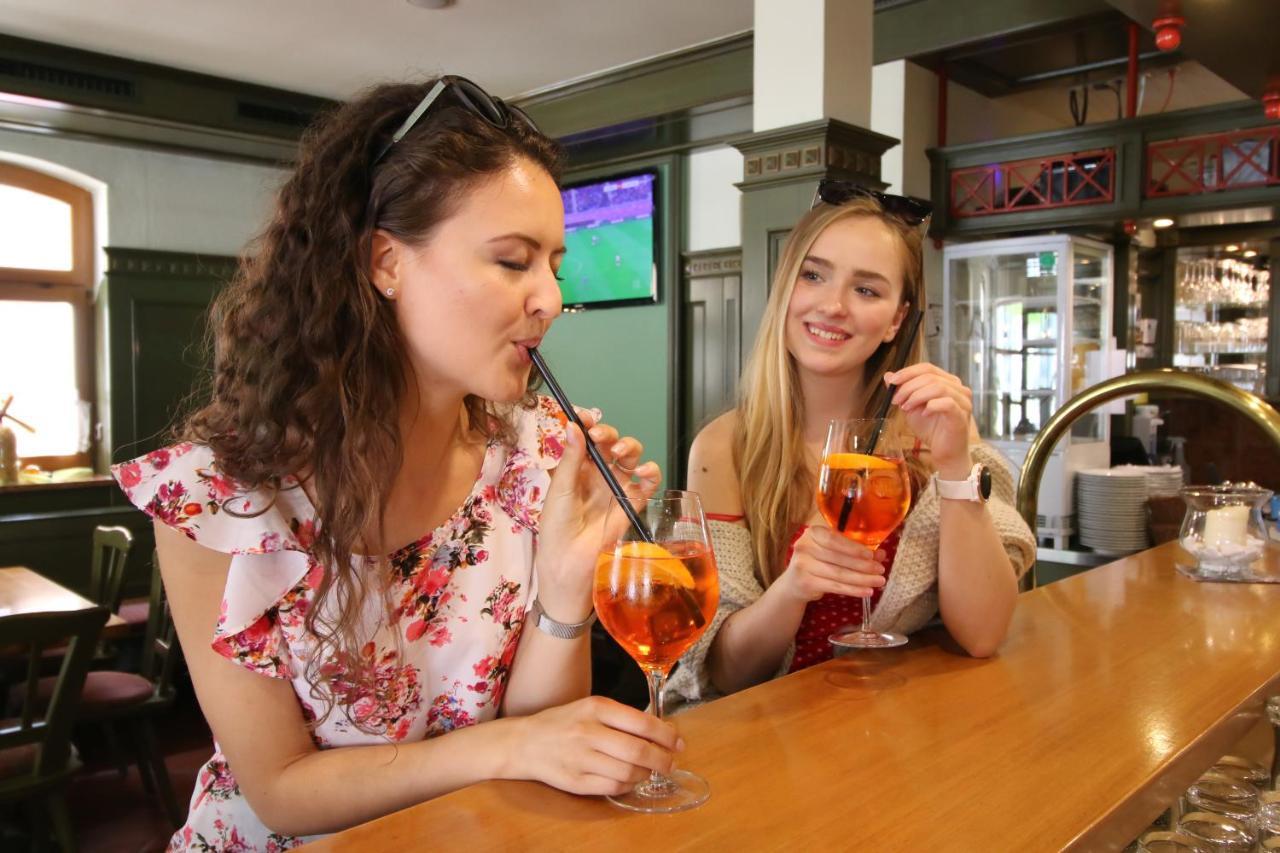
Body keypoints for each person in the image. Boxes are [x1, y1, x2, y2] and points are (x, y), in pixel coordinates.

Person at [112, 76, 680, 849]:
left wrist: (565, 587)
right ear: (385, 260)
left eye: (554, 262)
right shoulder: (218, 498)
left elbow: (542, 739)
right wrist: (503, 749)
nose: (550, 297)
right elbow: (280, 791)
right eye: (514, 261)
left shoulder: (536, 453)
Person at [667, 185, 1037, 708]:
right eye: (813, 275)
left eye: (867, 290)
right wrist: (792, 588)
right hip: (760, 735)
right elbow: (724, 673)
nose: (833, 306)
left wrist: (956, 465)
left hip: (886, 730)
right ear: (784, 289)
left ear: (896, 320)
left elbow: (982, 634)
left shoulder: (935, 435)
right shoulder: (724, 446)